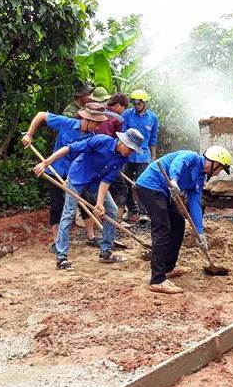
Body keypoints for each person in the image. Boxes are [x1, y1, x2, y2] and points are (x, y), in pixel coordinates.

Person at [34, 128, 145, 270]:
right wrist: (46, 163)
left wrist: (99, 203)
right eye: (131, 149)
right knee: (68, 214)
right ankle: (61, 257)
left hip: (96, 184)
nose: (132, 152)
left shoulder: (122, 158)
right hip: (77, 178)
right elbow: (69, 148)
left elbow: (106, 180)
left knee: (111, 210)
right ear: (123, 142)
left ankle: (105, 252)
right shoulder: (100, 141)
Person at [136, 146, 232, 294]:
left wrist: (199, 233)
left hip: (164, 192)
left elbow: (195, 205)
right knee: (163, 227)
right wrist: (174, 180)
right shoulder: (191, 156)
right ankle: (157, 280)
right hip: (150, 185)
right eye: (220, 169)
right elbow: (177, 164)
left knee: (178, 224)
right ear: (214, 163)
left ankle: (168, 268)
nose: (219, 173)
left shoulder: (199, 179)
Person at [22, 103, 108, 246]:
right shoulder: (67, 123)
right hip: (55, 170)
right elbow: (41, 115)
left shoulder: (92, 138)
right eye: (97, 124)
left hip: (77, 175)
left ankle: (91, 236)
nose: (98, 128)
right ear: (88, 120)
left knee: (86, 202)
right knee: (56, 205)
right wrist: (29, 134)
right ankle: (57, 240)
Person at [121, 89, 159, 223]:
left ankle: (144, 212)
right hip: (128, 156)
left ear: (145, 103)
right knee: (125, 183)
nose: (136, 106)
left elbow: (153, 139)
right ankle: (131, 209)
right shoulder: (127, 115)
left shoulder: (152, 118)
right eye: (134, 104)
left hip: (144, 156)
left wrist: (153, 157)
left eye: (139, 104)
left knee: (142, 184)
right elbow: (123, 134)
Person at [96, 93, 130, 222]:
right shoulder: (117, 119)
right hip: (109, 158)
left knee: (99, 187)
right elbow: (118, 143)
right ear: (118, 105)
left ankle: (101, 216)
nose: (124, 111)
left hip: (94, 158)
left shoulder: (98, 113)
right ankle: (118, 220)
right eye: (124, 108)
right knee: (122, 188)